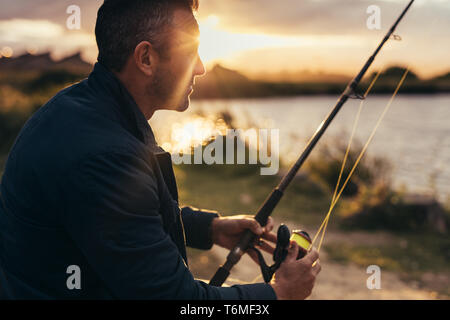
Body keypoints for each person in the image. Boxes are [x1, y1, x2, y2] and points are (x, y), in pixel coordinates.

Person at [0, 0, 320, 299]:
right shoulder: (102, 153)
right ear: (146, 59)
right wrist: (278, 294)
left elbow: (117, 218)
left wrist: (208, 228)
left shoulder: (87, 110)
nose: (201, 68)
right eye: (191, 53)